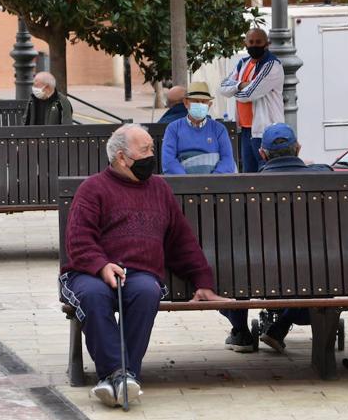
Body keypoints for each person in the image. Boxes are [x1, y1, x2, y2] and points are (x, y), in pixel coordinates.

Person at [59, 124, 227, 408]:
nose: (152, 155)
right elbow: (78, 241)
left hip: (139, 273)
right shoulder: (93, 189)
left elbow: (181, 241)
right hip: (89, 271)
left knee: (147, 291)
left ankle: (117, 379)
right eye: (145, 150)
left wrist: (203, 281)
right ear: (122, 158)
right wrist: (102, 266)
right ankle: (121, 376)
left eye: (152, 148)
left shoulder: (159, 189)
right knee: (94, 295)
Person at [221, 123, 332, 353]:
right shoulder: (324, 176)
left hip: (257, 273)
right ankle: (280, 326)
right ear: (298, 149)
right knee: (319, 276)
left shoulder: (245, 188)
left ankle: (241, 331)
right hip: (316, 271)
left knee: (232, 271)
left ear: (262, 154)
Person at [219, 28, 284, 172]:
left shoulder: (272, 65)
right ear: (245, 43)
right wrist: (241, 85)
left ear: (267, 43)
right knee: (249, 175)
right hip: (246, 129)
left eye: (259, 42)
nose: (254, 45)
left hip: (265, 130)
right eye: (251, 42)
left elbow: (250, 94)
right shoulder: (243, 63)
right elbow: (222, 87)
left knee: (267, 173)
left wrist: (235, 90)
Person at [161, 82, 236, 175]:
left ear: (209, 105)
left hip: (215, 185)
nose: (200, 105)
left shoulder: (219, 129)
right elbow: (169, 162)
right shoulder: (173, 128)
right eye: (196, 101)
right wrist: (188, 181)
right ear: (186, 103)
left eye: (204, 102)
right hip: (183, 185)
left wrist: (213, 181)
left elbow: (227, 160)